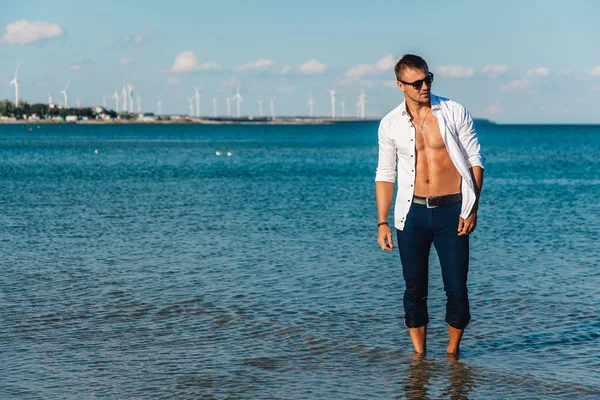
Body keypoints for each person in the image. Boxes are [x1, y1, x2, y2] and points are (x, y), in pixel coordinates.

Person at [375, 54, 485, 355]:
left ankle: (452, 353)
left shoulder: (453, 111)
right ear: (400, 85)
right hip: (412, 215)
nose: (425, 86)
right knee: (414, 289)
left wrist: (472, 207)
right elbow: (385, 174)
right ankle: (420, 356)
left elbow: (475, 160)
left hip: (452, 212)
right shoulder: (389, 124)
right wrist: (382, 221)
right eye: (417, 82)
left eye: (428, 78)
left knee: (457, 290)